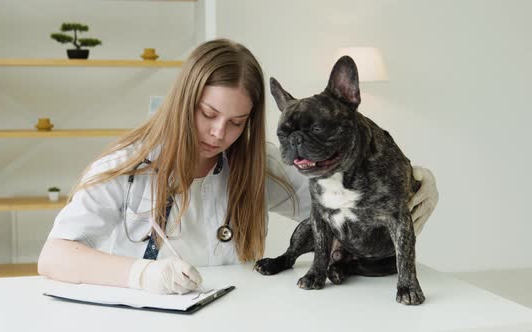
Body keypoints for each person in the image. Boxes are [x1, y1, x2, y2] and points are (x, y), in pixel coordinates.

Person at [37, 38, 439, 295]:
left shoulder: (255, 164)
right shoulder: (128, 164)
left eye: (236, 122)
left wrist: (418, 180)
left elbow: (345, 208)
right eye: (207, 113)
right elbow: (54, 257)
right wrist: (143, 276)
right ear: (182, 101)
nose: (217, 133)